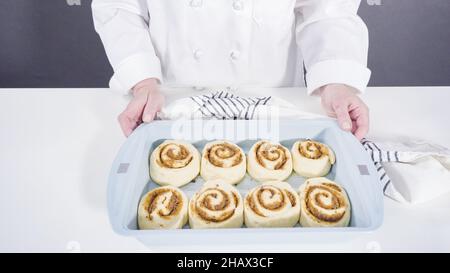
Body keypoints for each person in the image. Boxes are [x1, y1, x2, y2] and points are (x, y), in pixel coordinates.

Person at [92, 0, 371, 140]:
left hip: (277, 107)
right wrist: (142, 82)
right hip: (170, 105)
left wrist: (338, 83)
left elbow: (327, 11)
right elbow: (119, 7)